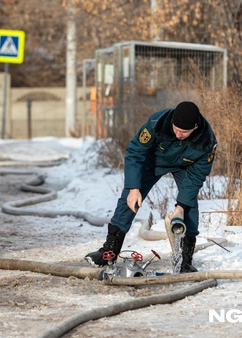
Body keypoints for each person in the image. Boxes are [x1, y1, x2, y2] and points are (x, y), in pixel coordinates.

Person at [84, 101, 217, 273]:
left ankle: (184, 262)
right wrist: (133, 188)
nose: (178, 134)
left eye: (183, 132)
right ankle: (109, 251)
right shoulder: (157, 123)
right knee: (128, 201)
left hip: (185, 167)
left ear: (195, 127)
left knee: (189, 206)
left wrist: (181, 206)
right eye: (175, 129)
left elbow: (197, 176)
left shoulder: (207, 142)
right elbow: (135, 151)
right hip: (152, 162)